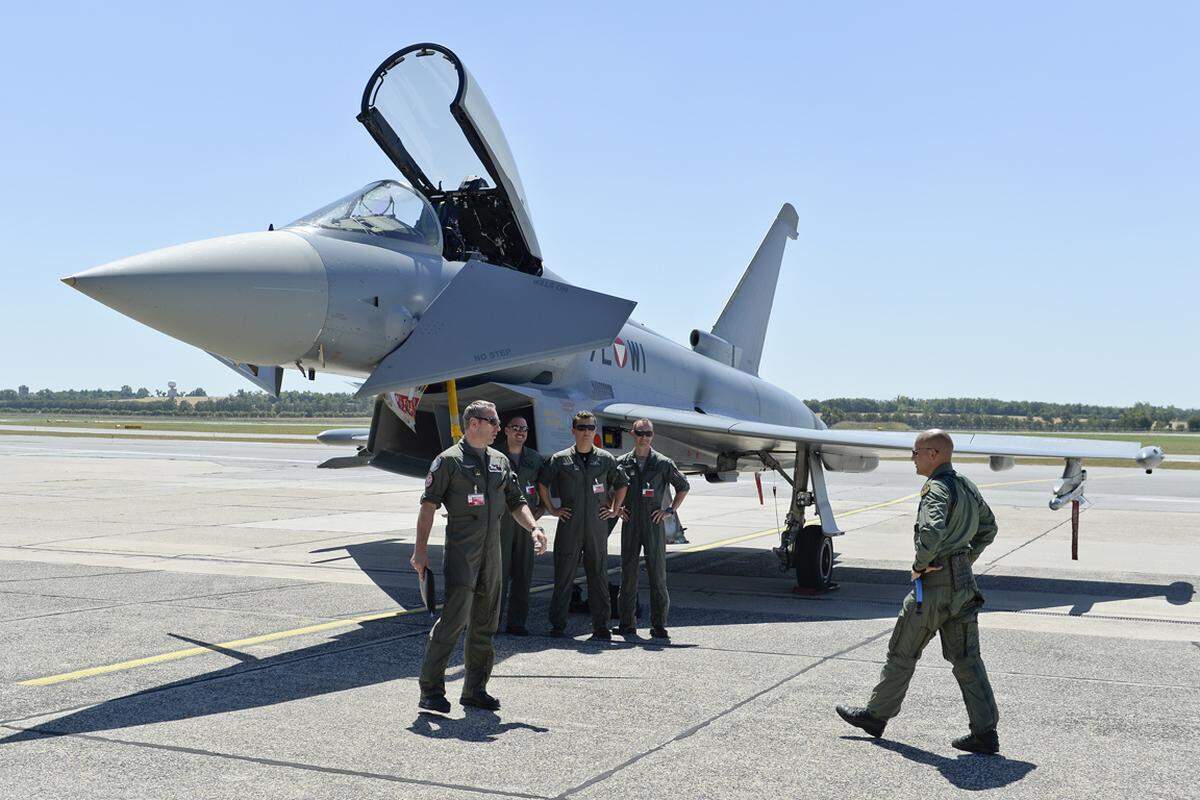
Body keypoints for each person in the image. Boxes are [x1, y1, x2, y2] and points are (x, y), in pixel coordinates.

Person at [836, 429, 1001, 754]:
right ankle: (985, 732)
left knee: (903, 651)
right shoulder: (966, 486)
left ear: (933, 454)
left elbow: (931, 529)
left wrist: (922, 564)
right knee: (967, 660)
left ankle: (876, 716)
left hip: (935, 586)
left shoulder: (937, 489)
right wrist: (965, 560)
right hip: (964, 587)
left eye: (916, 452)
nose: (912, 458)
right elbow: (989, 527)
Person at [411, 400, 548, 713]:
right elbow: (428, 506)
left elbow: (516, 501)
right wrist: (419, 551)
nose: (499, 428)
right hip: (462, 552)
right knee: (454, 621)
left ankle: (475, 690)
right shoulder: (448, 462)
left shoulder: (500, 461)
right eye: (493, 422)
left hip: (492, 553)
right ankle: (430, 690)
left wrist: (534, 528)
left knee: (486, 622)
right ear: (474, 423)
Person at [538, 411, 628, 640]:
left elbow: (622, 484)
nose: (586, 431)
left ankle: (601, 627)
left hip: (597, 525)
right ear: (573, 430)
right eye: (581, 427)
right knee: (564, 575)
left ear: (595, 430)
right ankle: (558, 625)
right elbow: (543, 484)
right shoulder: (560, 459)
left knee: (597, 575)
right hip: (570, 523)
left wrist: (615, 509)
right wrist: (553, 509)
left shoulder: (606, 459)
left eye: (590, 427)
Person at [614, 419, 689, 639]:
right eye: (640, 433)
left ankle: (659, 624)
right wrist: (616, 509)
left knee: (658, 575)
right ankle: (627, 623)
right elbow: (610, 488)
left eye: (648, 433)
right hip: (630, 523)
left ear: (652, 436)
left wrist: (670, 510)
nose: (644, 437)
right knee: (628, 574)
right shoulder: (621, 463)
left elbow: (683, 486)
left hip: (654, 524)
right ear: (632, 434)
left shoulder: (663, 463)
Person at [496, 415, 545, 636]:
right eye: (515, 428)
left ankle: (517, 623)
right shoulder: (494, 457)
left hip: (526, 524)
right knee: (498, 575)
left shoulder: (534, 459)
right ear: (506, 431)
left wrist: (541, 512)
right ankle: (492, 622)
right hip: (501, 523)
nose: (520, 432)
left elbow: (544, 489)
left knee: (524, 574)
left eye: (524, 429)